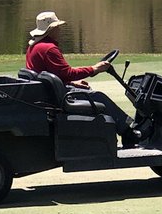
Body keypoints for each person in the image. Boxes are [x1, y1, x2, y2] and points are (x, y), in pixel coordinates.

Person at [24, 11, 142, 144]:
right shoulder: (49, 49)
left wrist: (73, 84)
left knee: (91, 93)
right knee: (99, 97)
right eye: (57, 27)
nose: (60, 30)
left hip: (51, 92)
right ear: (51, 29)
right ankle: (128, 133)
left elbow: (55, 74)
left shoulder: (33, 47)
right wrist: (94, 69)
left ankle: (119, 132)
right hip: (58, 96)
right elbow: (67, 73)